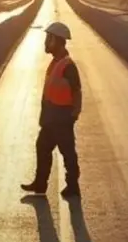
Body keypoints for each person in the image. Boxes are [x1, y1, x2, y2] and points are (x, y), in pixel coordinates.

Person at [21, 21, 82, 199]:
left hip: (61, 118)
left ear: (57, 40)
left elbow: (76, 91)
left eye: (49, 38)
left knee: (68, 152)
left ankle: (73, 187)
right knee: (42, 147)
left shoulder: (67, 65)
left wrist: (74, 114)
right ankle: (40, 185)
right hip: (50, 118)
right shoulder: (56, 63)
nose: (46, 42)